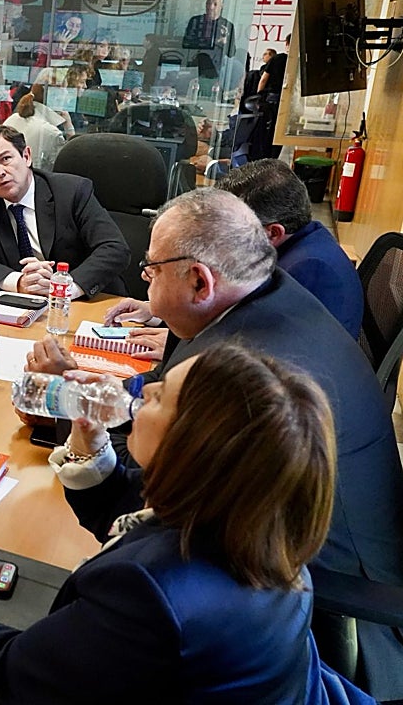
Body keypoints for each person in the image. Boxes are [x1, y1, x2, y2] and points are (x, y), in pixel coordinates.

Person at [0, 342, 374, 703]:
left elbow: (10, 679)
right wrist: (95, 452)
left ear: (190, 448)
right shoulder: (255, 516)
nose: (138, 392)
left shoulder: (148, 591)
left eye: (156, 399)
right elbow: (147, 521)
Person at [31, 189, 403, 699]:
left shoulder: (254, 371)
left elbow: (171, 496)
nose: (146, 281)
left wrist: (80, 422)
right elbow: (158, 396)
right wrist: (90, 394)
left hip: (311, 580)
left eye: (151, 270)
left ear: (200, 281)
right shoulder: (264, 300)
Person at [0, 125, 128, 298]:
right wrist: (18, 282)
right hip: (24, 304)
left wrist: (64, 287)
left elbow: (114, 248)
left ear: (26, 156)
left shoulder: (72, 192)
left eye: (5, 159)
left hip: (84, 302)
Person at [218, 159, 363, 337]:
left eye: (231, 228)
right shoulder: (308, 237)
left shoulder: (308, 269)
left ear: (273, 233)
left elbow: (267, 340)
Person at [1, 93, 66, 172]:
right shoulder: (52, 133)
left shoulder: (12, 119)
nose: (85, 86)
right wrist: (69, 128)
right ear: (54, 98)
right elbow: (63, 169)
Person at [182, 0, 236, 80]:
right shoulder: (196, 21)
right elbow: (186, 43)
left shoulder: (227, 25)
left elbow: (231, 53)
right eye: (208, 3)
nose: (210, 7)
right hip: (194, 67)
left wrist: (225, 42)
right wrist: (216, 41)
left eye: (215, 4)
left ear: (221, 6)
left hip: (215, 70)